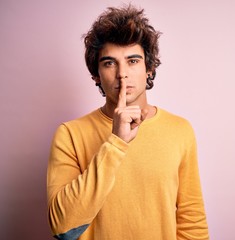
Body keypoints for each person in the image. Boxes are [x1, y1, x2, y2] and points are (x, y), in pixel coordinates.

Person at [46, 5, 209, 240]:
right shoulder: (70, 134)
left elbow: (191, 221)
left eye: (133, 61)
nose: (122, 73)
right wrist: (116, 143)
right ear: (96, 75)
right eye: (109, 63)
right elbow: (63, 228)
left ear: (149, 69)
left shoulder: (180, 130)